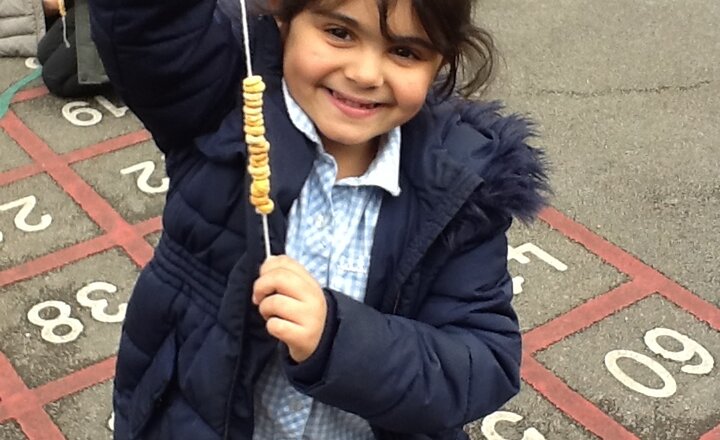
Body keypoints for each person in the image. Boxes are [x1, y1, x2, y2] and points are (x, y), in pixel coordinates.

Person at [88, 0, 550, 438]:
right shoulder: (219, 103)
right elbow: (150, 29)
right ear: (285, 19)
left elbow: (481, 363)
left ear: (441, 64)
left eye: (405, 52)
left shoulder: (464, 188)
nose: (365, 74)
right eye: (339, 32)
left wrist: (336, 339)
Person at [37, 0, 110, 97]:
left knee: (56, 79)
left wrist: (60, 3)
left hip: (114, 11)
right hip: (88, 6)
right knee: (44, 52)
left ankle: (123, 70)